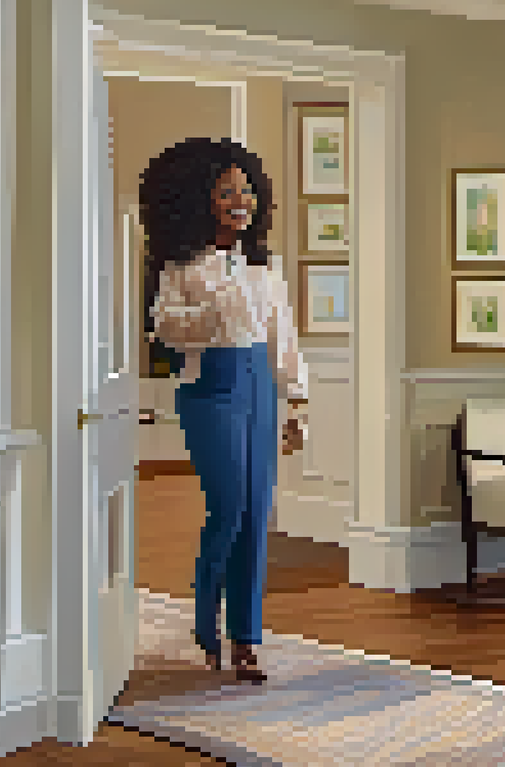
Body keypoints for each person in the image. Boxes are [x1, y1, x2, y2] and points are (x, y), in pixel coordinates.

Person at [142, 137, 308, 684]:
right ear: (200, 200)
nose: (241, 200)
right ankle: (204, 620)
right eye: (226, 192)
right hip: (208, 389)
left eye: (246, 190)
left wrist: (297, 401)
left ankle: (246, 640)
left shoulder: (265, 268)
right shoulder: (181, 265)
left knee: (258, 515)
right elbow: (164, 327)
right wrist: (214, 315)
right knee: (230, 508)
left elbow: (283, 336)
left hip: (260, 386)